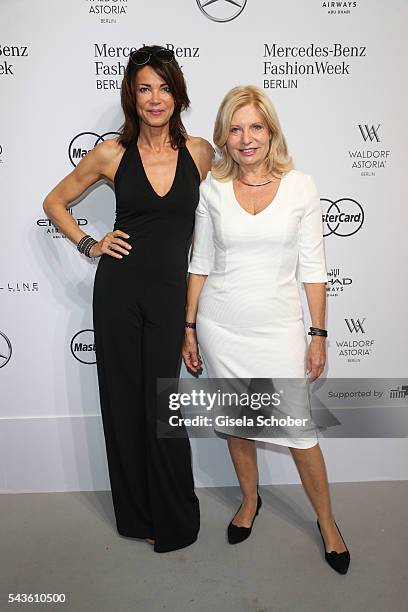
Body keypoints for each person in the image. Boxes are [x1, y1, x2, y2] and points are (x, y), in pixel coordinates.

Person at [43, 45, 213, 553]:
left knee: (162, 405)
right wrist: (89, 243)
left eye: (163, 87)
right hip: (118, 292)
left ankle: (174, 516)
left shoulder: (201, 153)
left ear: (176, 93)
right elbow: (54, 201)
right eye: (144, 88)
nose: (154, 98)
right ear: (132, 97)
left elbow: (232, 200)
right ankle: (139, 517)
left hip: (167, 297)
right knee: (124, 404)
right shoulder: (111, 154)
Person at [183, 86, 350, 573]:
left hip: (278, 328)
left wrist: (318, 334)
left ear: (271, 131)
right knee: (238, 424)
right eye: (235, 129)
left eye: (255, 126)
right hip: (221, 325)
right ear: (224, 138)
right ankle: (249, 501)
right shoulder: (211, 188)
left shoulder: (301, 186)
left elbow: (313, 267)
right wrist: (189, 326)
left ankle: (328, 522)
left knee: (300, 433)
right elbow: (202, 262)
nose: (245, 138)